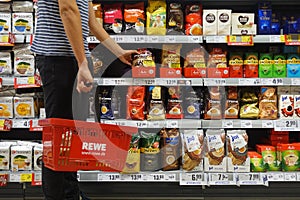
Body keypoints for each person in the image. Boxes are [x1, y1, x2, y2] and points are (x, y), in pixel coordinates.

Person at [31, 0, 137, 199]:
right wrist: (82, 64)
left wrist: (118, 52)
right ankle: (59, 196)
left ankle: (71, 192)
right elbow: (68, 10)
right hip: (59, 59)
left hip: (73, 59)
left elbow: (90, 20)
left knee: (72, 134)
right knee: (59, 134)